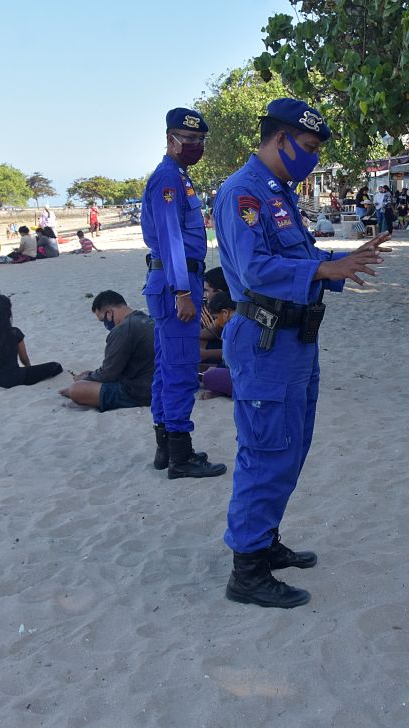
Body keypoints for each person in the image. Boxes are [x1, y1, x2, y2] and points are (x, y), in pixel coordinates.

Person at [213, 97, 387, 608]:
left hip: (293, 342)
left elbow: (302, 256)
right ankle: (247, 571)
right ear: (279, 139)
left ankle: (263, 542)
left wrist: (341, 262)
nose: (310, 158)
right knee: (266, 451)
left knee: (289, 446)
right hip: (265, 341)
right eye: (307, 147)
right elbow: (253, 271)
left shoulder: (278, 194)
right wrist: (322, 271)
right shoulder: (242, 194)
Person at [141, 106, 228, 480]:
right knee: (178, 371)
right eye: (188, 138)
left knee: (165, 367)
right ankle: (181, 455)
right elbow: (172, 240)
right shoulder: (167, 179)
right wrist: (182, 293)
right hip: (177, 284)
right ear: (169, 139)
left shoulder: (178, 176)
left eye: (199, 140)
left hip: (176, 281)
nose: (194, 145)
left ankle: (164, 447)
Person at [59, 291, 155, 411]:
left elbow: (108, 374)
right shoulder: (148, 320)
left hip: (139, 392)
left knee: (76, 389)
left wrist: (85, 379)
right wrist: (92, 374)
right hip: (153, 384)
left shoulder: (124, 329)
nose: (106, 324)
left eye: (103, 320)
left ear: (109, 313)